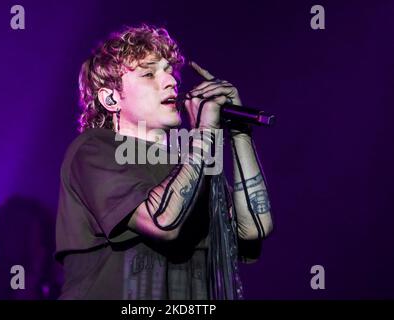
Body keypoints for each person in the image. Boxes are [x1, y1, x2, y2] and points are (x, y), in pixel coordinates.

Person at [55, 24, 273, 300]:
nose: (171, 81)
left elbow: (254, 227)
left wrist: (239, 129)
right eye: (149, 73)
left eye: (170, 71)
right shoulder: (92, 150)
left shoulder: (188, 162)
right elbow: (163, 223)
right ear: (110, 98)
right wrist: (203, 133)